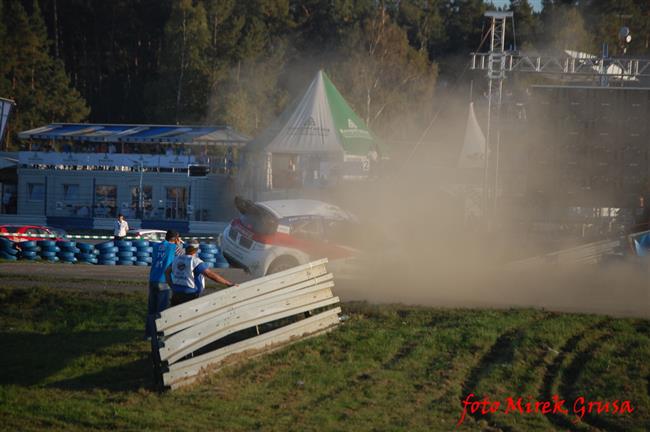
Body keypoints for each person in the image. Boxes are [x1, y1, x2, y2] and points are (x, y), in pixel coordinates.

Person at [165, 242, 235, 306]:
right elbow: (210, 275)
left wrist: (172, 285)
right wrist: (228, 283)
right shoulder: (195, 261)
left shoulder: (177, 259)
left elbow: (167, 272)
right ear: (196, 250)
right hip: (190, 294)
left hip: (176, 293)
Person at [145, 230, 183, 339]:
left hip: (153, 278)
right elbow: (184, 254)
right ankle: (159, 335)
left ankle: (148, 334)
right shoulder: (174, 247)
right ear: (175, 238)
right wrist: (179, 243)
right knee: (161, 310)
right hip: (164, 280)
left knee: (151, 309)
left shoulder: (157, 246)